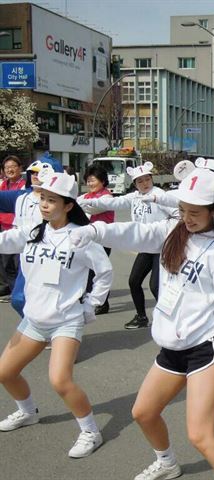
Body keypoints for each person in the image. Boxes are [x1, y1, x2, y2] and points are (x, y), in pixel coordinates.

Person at [69, 166, 214, 480]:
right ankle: (167, 463)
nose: (187, 217)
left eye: (195, 212)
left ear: (213, 211)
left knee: (201, 436)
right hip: (172, 345)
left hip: (206, 348)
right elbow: (134, 232)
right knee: (143, 412)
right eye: (183, 210)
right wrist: (95, 232)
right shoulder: (171, 232)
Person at [0, 170, 112, 458]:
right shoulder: (34, 232)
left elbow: (104, 271)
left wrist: (91, 304)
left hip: (66, 320)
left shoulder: (80, 237)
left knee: (60, 380)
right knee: (5, 372)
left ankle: (90, 431)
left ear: (68, 205)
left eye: (52, 200)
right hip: (33, 320)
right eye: (42, 199)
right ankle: (28, 411)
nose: (45, 205)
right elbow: (5, 241)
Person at [78, 162, 178, 329]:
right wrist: (93, 203)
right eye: (140, 181)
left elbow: (177, 215)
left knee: (156, 286)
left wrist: (166, 232)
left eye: (147, 179)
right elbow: (115, 203)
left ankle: (170, 321)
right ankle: (141, 317)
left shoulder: (159, 195)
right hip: (146, 247)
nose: (144, 183)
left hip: (162, 247)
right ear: (135, 184)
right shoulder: (135, 196)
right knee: (134, 281)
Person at [0, 154, 64, 317]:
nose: (36, 175)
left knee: (50, 300)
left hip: (51, 258)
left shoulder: (62, 200)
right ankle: (37, 331)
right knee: (19, 299)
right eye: (33, 172)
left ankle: (56, 332)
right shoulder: (21, 196)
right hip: (28, 258)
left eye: (41, 172)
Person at [141, 157, 214, 219]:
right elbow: (175, 198)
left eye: (210, 172)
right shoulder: (190, 190)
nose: (204, 176)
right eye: (202, 171)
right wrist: (156, 198)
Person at [77, 165, 115, 315]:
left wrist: (76, 205)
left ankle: (102, 303)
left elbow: (93, 208)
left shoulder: (107, 197)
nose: (90, 184)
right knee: (87, 271)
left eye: (93, 180)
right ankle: (90, 300)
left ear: (103, 181)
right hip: (88, 240)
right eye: (88, 181)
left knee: (99, 271)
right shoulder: (85, 197)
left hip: (103, 240)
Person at [0, 156, 26, 301]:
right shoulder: (3, 185)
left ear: (20, 168)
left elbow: (18, 210)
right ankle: (13, 289)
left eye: (13, 166)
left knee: (18, 263)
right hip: (4, 228)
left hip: (17, 229)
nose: (9, 169)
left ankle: (19, 291)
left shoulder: (24, 186)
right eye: (6, 167)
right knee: (6, 262)